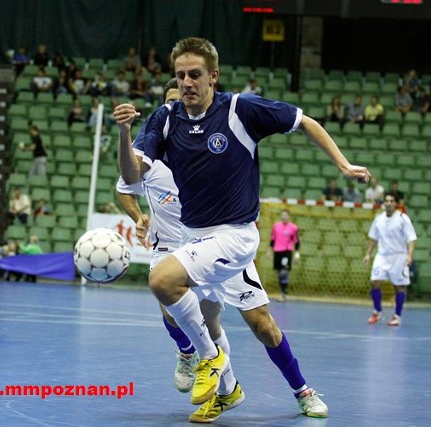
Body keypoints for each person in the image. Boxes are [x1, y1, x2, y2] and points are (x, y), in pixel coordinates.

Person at [114, 36, 369, 419]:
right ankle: (228, 390)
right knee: (201, 317)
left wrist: (344, 165)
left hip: (234, 236)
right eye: (180, 75)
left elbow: (305, 122)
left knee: (250, 319)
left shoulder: (240, 109)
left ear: (213, 76)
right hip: (193, 239)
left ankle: (299, 389)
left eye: (195, 74)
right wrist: (122, 134)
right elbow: (131, 176)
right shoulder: (165, 118)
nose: (186, 82)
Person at [363, 192, 417, 327]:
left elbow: (411, 239)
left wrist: (409, 255)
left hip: (398, 256)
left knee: (398, 287)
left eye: (391, 201)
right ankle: (377, 312)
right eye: (386, 201)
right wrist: (368, 254)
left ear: (396, 204)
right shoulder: (378, 219)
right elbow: (373, 238)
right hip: (382, 256)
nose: (388, 203)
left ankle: (397, 316)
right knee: (374, 282)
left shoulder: (403, 218)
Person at [266, 209, 300, 302]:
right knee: (278, 273)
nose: (284, 217)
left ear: (289, 216)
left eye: (286, 215)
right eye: (283, 215)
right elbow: (272, 240)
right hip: (277, 251)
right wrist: (269, 251)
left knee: (284, 272)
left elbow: (296, 242)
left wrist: (297, 255)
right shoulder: (276, 226)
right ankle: (283, 290)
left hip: (287, 251)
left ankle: (283, 293)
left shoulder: (293, 227)